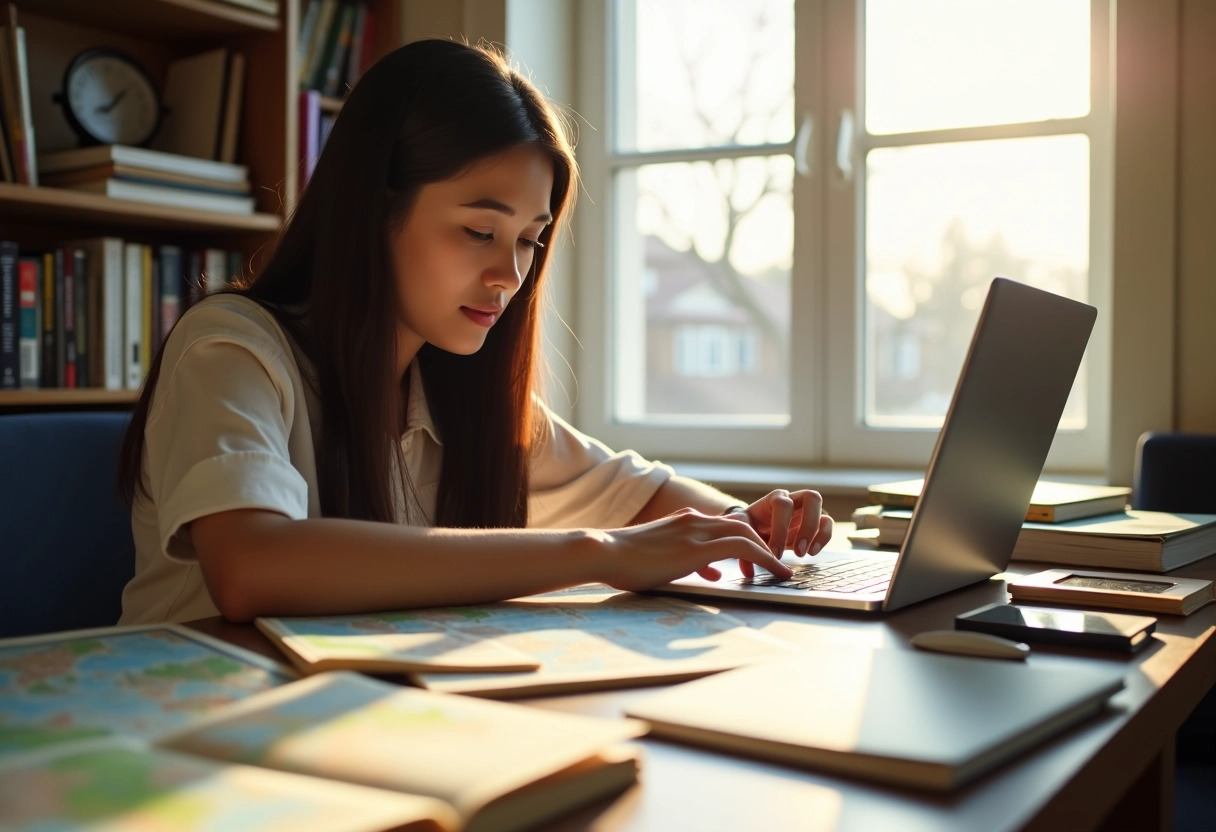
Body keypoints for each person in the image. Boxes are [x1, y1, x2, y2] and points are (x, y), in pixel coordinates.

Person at [116, 39, 833, 625]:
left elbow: (643, 496)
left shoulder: (458, 390)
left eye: (529, 239)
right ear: (374, 211)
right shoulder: (231, 348)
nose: (509, 275)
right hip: (175, 734)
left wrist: (754, 524)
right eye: (479, 231)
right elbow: (252, 568)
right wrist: (599, 551)